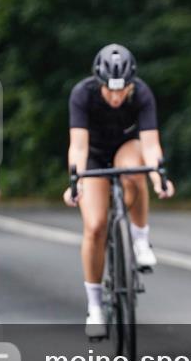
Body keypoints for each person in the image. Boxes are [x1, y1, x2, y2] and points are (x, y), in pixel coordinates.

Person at [62, 44, 175, 337]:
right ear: (98, 82)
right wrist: (75, 181)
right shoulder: (82, 94)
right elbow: (77, 146)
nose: (115, 96)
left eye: (122, 90)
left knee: (134, 172)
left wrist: (158, 178)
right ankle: (96, 307)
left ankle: (140, 241)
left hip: (127, 148)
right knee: (95, 226)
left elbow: (150, 145)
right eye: (110, 90)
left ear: (131, 84)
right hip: (93, 155)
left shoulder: (142, 93)